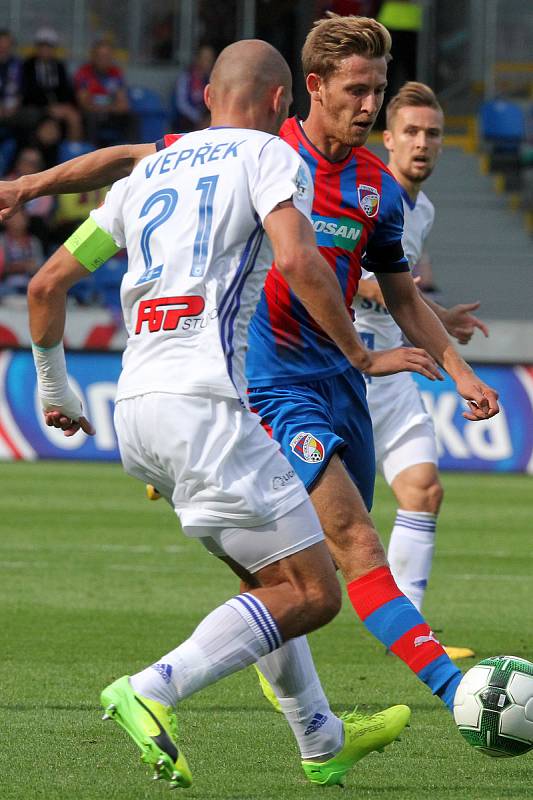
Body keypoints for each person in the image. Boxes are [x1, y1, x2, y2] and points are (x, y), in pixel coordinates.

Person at [0, 14, 499, 716]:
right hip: (264, 384)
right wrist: (31, 187)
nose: (367, 106)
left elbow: (398, 293)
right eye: (356, 89)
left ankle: (318, 731)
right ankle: (455, 693)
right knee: (349, 547)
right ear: (311, 89)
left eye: (377, 91)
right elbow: (128, 158)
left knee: (299, 568)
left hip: (340, 385)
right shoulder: (262, 149)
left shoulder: (375, 188)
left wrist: (462, 374)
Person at [27, 39, 411, 790]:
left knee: (265, 575)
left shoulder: (146, 176)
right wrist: (362, 357)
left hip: (136, 409)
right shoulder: (272, 158)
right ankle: (152, 687)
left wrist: (55, 391)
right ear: (280, 103)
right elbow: (300, 263)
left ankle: (320, 737)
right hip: (210, 403)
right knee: (312, 592)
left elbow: (46, 285)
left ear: (206, 96)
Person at [355, 82, 489, 655]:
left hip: (395, 365)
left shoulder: (423, 209)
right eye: (411, 131)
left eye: (433, 133)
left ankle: (409, 630)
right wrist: (420, 310)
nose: (423, 143)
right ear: (388, 138)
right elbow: (351, 278)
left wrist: (439, 317)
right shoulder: (365, 191)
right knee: (316, 519)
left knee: (423, 489)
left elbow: (398, 290)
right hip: (346, 363)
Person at [22, 28, 82, 142]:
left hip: (58, 106)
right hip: (36, 106)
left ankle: (73, 150)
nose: (45, 49)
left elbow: (66, 90)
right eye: (42, 46)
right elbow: (28, 91)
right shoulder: (28, 66)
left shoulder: (59, 66)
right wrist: (48, 107)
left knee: (74, 117)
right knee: (43, 121)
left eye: (49, 46)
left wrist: (65, 106)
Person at [74, 40, 134, 146]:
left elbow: (123, 103)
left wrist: (108, 109)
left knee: (132, 117)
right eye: (100, 56)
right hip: (91, 114)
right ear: (93, 56)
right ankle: (92, 155)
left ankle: (132, 154)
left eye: (107, 56)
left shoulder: (116, 73)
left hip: (110, 113)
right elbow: (84, 104)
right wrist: (106, 108)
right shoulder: (83, 72)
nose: (104, 60)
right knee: (91, 118)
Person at [172, 44, 215, 132]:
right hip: (187, 119)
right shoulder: (186, 77)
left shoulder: (210, 78)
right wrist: (197, 118)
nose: (207, 62)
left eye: (209, 59)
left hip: (204, 118)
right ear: (197, 59)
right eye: (204, 59)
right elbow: (181, 104)